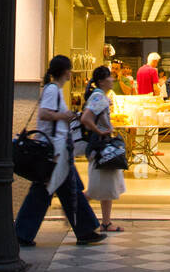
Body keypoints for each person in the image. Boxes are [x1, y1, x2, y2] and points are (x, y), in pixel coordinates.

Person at [14, 55, 107, 247]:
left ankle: (23, 233)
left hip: (59, 151)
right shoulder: (52, 90)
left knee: (58, 191)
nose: (71, 73)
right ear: (65, 72)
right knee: (61, 191)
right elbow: (44, 114)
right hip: (55, 151)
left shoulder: (53, 90)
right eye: (70, 70)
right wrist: (65, 115)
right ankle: (85, 231)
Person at [81, 65, 125, 232]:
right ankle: (74, 209)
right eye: (110, 77)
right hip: (100, 146)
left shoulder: (100, 96)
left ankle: (106, 222)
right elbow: (86, 118)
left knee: (106, 184)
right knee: (96, 187)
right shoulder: (99, 97)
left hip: (101, 146)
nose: (112, 79)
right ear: (101, 81)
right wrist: (100, 130)